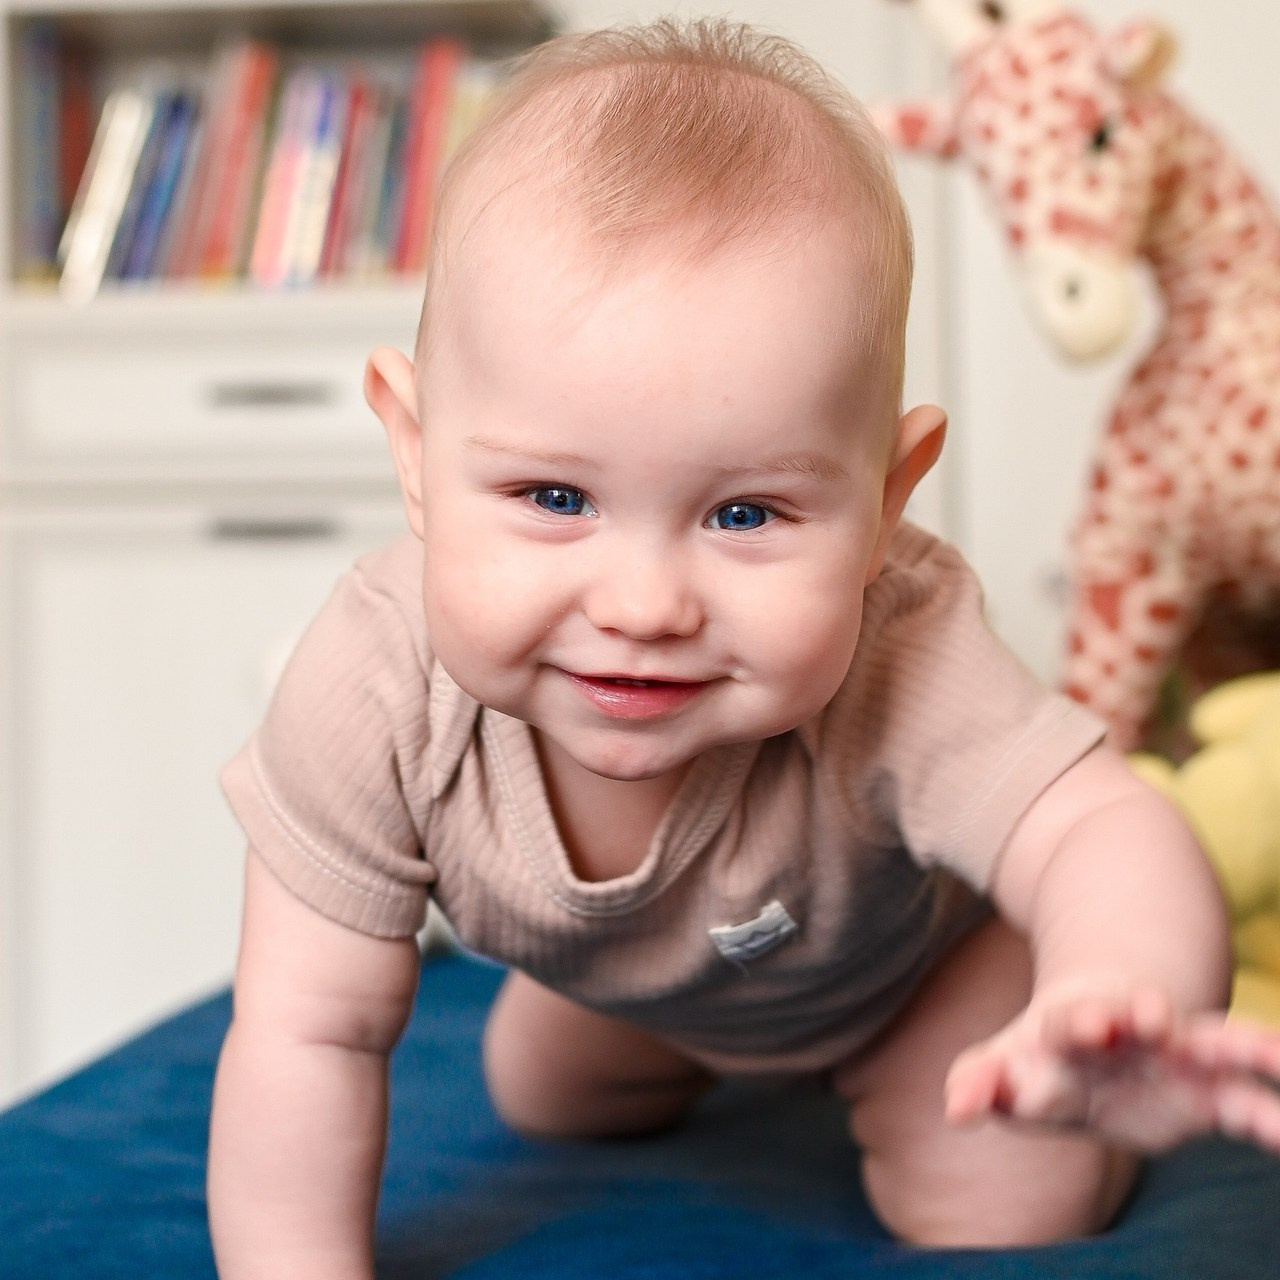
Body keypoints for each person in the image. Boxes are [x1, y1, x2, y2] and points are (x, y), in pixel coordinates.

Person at [206, 17, 1280, 1274]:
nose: (644, 604)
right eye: (555, 497)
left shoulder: (905, 649)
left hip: (910, 979)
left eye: (743, 513)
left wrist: (1107, 990)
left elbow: (1102, 825)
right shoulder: (374, 686)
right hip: (645, 985)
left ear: (885, 506)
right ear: (416, 456)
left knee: (998, 1197)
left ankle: (968, 1072)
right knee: (539, 1096)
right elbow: (305, 1029)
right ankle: (640, 1018)